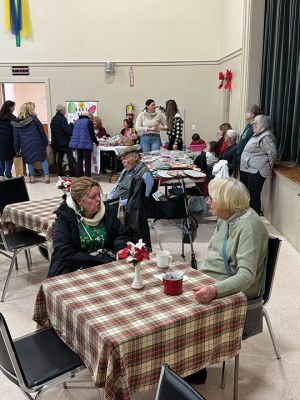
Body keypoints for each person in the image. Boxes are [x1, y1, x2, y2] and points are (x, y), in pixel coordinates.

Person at [186, 178, 268, 385]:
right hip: (214, 279)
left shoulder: (249, 227)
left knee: (187, 310)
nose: (209, 202)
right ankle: (186, 362)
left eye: (213, 199)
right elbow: (215, 256)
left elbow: (246, 277)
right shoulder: (227, 218)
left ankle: (194, 368)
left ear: (227, 203)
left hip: (238, 289)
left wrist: (214, 290)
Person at [48, 177, 130, 277]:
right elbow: (64, 252)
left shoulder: (108, 212)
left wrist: (120, 248)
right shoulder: (65, 217)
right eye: (93, 197)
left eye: (99, 195)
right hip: (74, 268)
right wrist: (100, 261)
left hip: (106, 264)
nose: (99, 200)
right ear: (79, 200)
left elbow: (120, 235)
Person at [240, 115, 277, 215]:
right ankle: (249, 214)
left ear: (263, 125)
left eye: (256, 123)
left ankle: (254, 215)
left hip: (258, 170)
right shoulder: (257, 134)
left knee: (253, 195)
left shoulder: (265, 136)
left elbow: (272, 153)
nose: (253, 125)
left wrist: (270, 168)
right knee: (249, 194)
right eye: (253, 123)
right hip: (251, 169)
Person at [11, 102, 50, 183]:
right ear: (30, 109)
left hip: (25, 145)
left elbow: (16, 138)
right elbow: (41, 131)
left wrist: (17, 149)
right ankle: (46, 177)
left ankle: (32, 178)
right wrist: (45, 142)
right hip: (37, 143)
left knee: (29, 161)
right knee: (43, 159)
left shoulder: (16, 123)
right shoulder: (34, 119)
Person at [50, 104, 75, 176]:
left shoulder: (53, 119)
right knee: (70, 157)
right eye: (65, 111)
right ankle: (72, 173)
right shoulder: (62, 119)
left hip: (56, 142)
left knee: (60, 158)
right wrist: (71, 125)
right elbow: (68, 131)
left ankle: (59, 173)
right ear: (62, 111)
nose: (65, 112)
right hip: (64, 142)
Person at [0, 100, 16, 179]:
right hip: (10, 142)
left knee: (1, 159)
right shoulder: (12, 118)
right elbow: (16, 131)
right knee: (9, 159)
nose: (14, 109)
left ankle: (1, 175)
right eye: (13, 107)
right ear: (10, 107)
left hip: (1, 142)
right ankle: (8, 174)